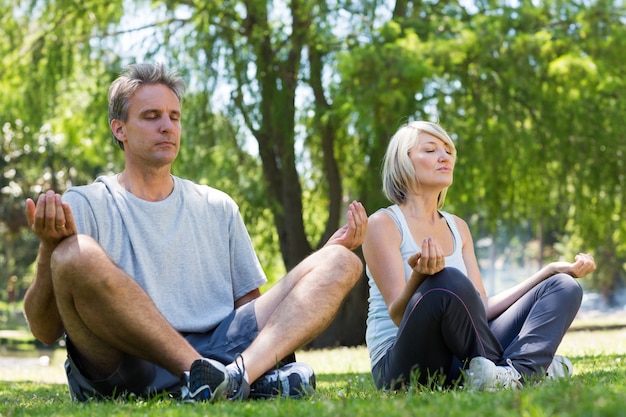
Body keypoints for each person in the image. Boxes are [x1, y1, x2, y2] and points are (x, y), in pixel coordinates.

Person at [23, 63, 367, 402]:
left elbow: (251, 309)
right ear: (119, 129)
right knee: (73, 253)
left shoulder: (218, 205)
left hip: (223, 351)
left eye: (174, 116)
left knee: (342, 261)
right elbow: (45, 331)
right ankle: (208, 376)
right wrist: (48, 251)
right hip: (124, 362)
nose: (167, 127)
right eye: (151, 116)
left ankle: (240, 376)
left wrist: (316, 266)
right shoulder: (85, 202)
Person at [362, 120, 595, 392]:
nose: (444, 157)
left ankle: (514, 375)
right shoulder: (383, 224)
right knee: (447, 280)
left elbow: (479, 309)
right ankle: (531, 369)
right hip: (402, 365)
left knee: (563, 286)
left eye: (448, 151)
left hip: (461, 360)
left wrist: (549, 271)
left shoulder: (458, 227)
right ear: (403, 161)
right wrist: (420, 277)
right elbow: (399, 317)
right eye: (430, 150)